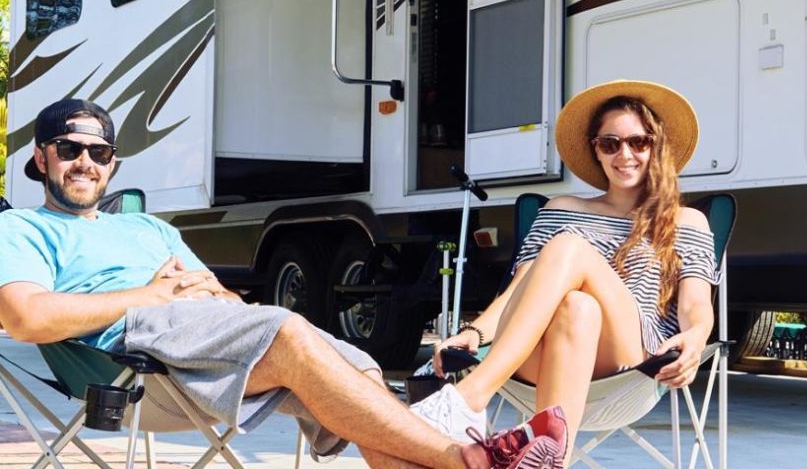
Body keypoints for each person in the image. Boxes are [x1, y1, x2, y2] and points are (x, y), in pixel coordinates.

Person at [0, 98, 568, 469]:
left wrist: (210, 294)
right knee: (288, 332)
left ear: (114, 164)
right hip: (134, 365)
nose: (84, 163)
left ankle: (466, 458)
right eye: (69, 150)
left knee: (359, 372)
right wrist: (152, 295)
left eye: (98, 153)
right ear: (40, 157)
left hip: (205, 338)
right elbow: (25, 318)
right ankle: (471, 458)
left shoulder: (147, 226)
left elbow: (220, 299)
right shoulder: (21, 226)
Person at [412, 80, 720, 461]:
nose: (625, 154)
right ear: (596, 149)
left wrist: (698, 336)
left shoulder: (686, 221)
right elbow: (521, 287)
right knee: (578, 307)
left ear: (656, 147)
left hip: (631, 363)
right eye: (610, 143)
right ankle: (538, 451)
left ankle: (469, 398)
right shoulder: (562, 208)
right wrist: (474, 332)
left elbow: (695, 304)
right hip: (540, 357)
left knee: (571, 249)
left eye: (638, 142)